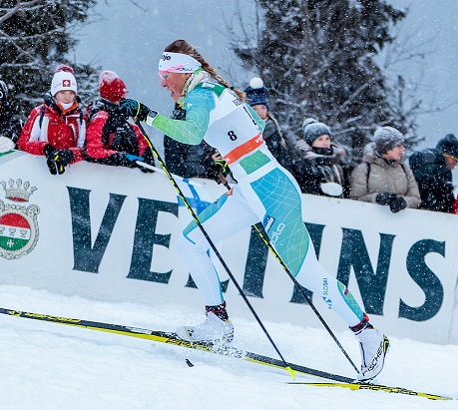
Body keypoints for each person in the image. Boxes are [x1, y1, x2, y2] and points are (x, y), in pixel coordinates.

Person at [120, 39, 388, 381]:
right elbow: (256, 128)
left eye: (165, 75)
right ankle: (217, 321)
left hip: (272, 193)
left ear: (182, 72)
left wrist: (147, 115)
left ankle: (368, 334)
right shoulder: (217, 90)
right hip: (251, 191)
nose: (162, 83)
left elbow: (190, 133)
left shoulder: (203, 93)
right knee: (191, 241)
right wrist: (231, 149)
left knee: (309, 276)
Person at [18, 65, 86, 175]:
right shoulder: (40, 113)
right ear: (55, 93)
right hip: (39, 172)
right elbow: (23, 144)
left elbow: (85, 150)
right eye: (63, 93)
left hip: (70, 175)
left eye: (71, 93)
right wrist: (45, 148)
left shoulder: (80, 118)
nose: (67, 97)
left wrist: (70, 154)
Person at [84, 70, 149, 171]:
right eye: (122, 94)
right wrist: (122, 158)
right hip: (106, 177)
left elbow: (140, 140)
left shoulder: (122, 118)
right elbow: (93, 151)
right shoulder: (102, 117)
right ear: (116, 95)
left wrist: (147, 156)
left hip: (127, 178)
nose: (125, 97)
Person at [349, 126, 421, 212]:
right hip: (371, 221)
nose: (403, 149)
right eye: (398, 146)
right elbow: (355, 200)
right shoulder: (364, 169)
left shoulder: (404, 169)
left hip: (401, 222)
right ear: (386, 147)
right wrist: (376, 198)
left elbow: (416, 199)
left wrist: (404, 202)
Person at [243, 77, 293, 170]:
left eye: (263, 107)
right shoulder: (243, 132)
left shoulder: (277, 132)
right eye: (255, 109)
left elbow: (286, 159)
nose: (260, 112)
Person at [292, 118, 349, 197]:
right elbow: (301, 188)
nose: (325, 142)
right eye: (320, 139)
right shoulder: (303, 163)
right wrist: (320, 187)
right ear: (311, 141)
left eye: (327, 138)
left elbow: (347, 187)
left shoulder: (338, 161)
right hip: (316, 205)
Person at [409, 133, 458, 213]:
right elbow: (447, 199)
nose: (454, 166)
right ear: (451, 159)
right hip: (434, 217)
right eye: (456, 162)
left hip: (414, 212)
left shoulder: (418, 164)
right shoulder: (443, 170)